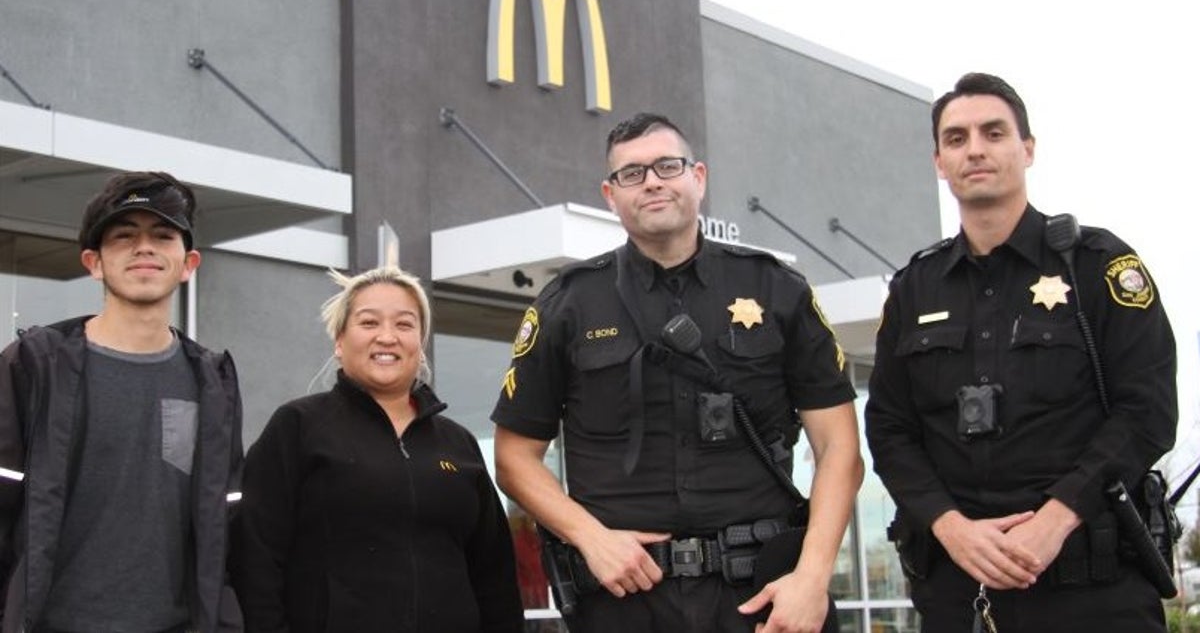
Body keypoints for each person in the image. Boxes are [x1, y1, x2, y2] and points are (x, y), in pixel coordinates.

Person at [491, 113, 863, 633]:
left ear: (699, 177)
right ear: (609, 194)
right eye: (631, 173)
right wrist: (591, 538)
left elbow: (839, 448)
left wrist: (812, 577)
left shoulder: (778, 290)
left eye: (668, 166)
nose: (652, 182)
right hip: (624, 599)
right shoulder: (567, 304)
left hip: (767, 598)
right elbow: (513, 457)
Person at [864, 72, 1177, 632]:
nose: (975, 149)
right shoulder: (914, 288)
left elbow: (1147, 411)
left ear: (1027, 149)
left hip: (1095, 590)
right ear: (939, 161)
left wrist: (1055, 520)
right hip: (959, 594)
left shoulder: (1096, 266)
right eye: (956, 139)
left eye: (994, 132)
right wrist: (949, 525)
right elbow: (889, 428)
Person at [0, 171, 245, 633]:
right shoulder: (34, 367)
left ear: (189, 262)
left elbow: (227, 527)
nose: (144, 247)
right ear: (94, 262)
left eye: (162, 235)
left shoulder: (212, 382)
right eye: (124, 235)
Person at [232, 266, 523, 633]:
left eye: (404, 325)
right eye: (369, 323)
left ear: (421, 342)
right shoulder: (298, 427)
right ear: (339, 341)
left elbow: (494, 576)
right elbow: (256, 558)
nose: (387, 337)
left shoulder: (458, 443)